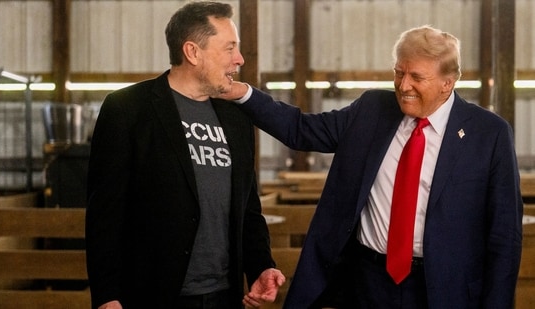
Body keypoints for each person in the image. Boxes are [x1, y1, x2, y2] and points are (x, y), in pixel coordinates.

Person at [221, 25, 523, 308]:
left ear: (448, 82)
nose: (404, 86)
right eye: (399, 72)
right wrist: (243, 94)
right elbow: (301, 129)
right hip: (367, 282)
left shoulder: (488, 133)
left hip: (444, 290)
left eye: (417, 77)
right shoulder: (372, 110)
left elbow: (504, 235)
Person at [85, 2, 285, 309]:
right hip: (152, 294)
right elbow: (105, 214)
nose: (239, 59)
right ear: (192, 52)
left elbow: (248, 207)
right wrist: (106, 296)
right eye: (229, 48)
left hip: (223, 296)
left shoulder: (236, 117)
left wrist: (261, 266)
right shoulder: (128, 110)